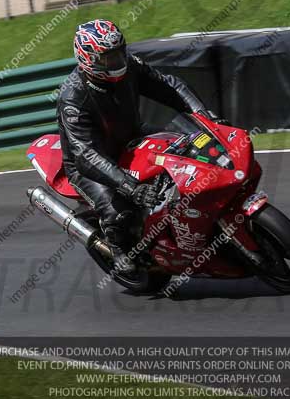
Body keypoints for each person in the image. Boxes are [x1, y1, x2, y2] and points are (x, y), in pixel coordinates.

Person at [57, 19, 217, 274]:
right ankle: (117, 247)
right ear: (89, 59)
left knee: (191, 151)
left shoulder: (130, 67)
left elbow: (169, 87)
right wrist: (130, 187)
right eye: (108, 58)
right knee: (122, 213)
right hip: (90, 164)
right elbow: (85, 154)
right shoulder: (73, 98)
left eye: (119, 53)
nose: (117, 62)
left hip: (132, 137)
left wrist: (204, 116)